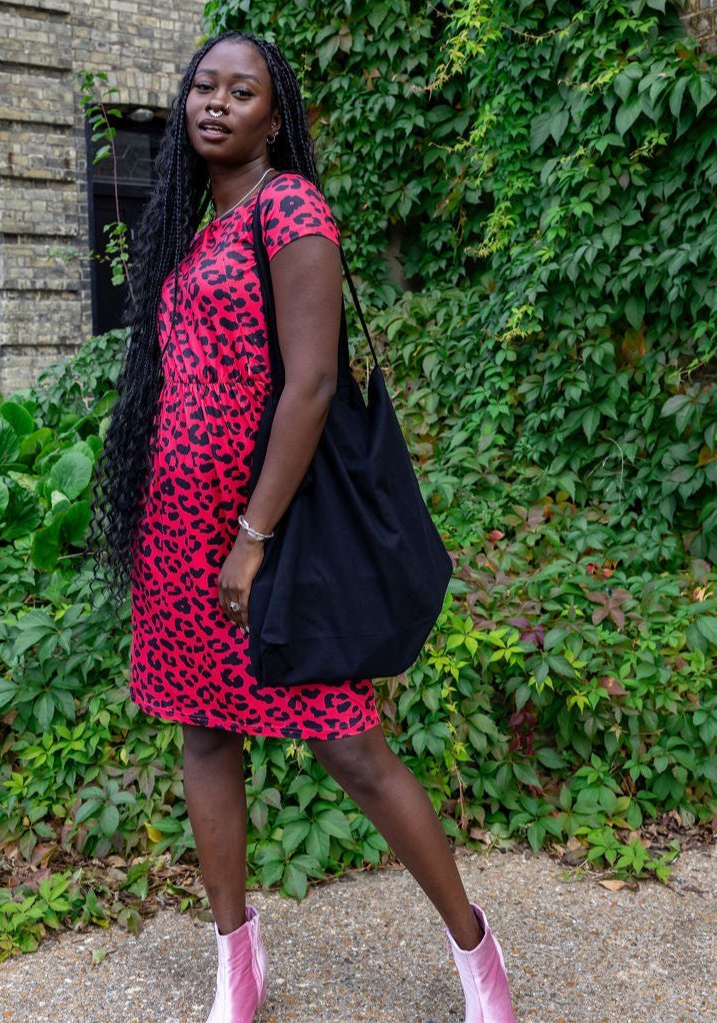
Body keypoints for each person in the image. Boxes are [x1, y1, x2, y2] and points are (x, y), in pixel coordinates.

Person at [87, 29, 517, 1023]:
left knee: (352, 747)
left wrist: (253, 533)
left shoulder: (289, 209)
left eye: (241, 92)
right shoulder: (194, 229)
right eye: (203, 86)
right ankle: (238, 965)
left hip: (271, 534)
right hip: (176, 534)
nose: (216, 103)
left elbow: (314, 382)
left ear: (273, 117)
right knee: (203, 737)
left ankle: (474, 951)